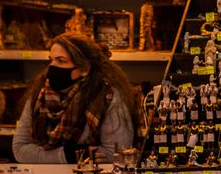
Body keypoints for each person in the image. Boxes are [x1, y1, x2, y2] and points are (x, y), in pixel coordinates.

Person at [13, 33, 142, 164]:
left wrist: (41, 155)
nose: (52, 66)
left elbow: (116, 153)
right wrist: (71, 155)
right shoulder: (40, 95)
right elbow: (19, 149)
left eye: (61, 61)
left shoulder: (107, 97)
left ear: (85, 68)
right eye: (50, 60)